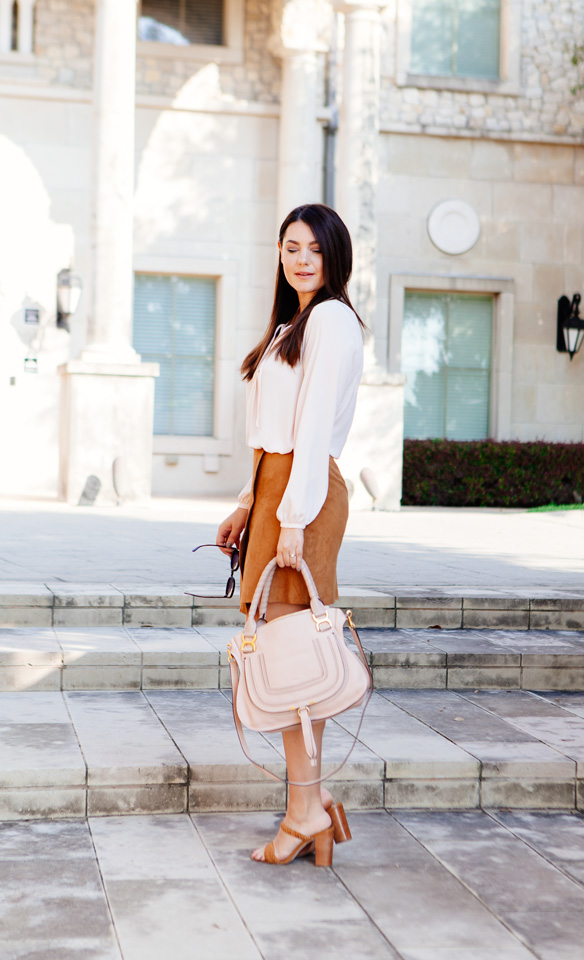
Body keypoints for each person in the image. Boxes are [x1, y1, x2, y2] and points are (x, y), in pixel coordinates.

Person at [216, 203, 365, 865]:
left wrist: (293, 519)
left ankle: (306, 808)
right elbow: (274, 431)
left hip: (300, 496)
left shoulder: (330, 318)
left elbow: (308, 435)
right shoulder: (292, 325)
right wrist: (250, 503)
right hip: (277, 491)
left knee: (290, 650)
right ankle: (308, 803)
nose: (301, 259)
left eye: (313, 248)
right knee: (288, 653)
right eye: (289, 248)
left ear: (335, 255)